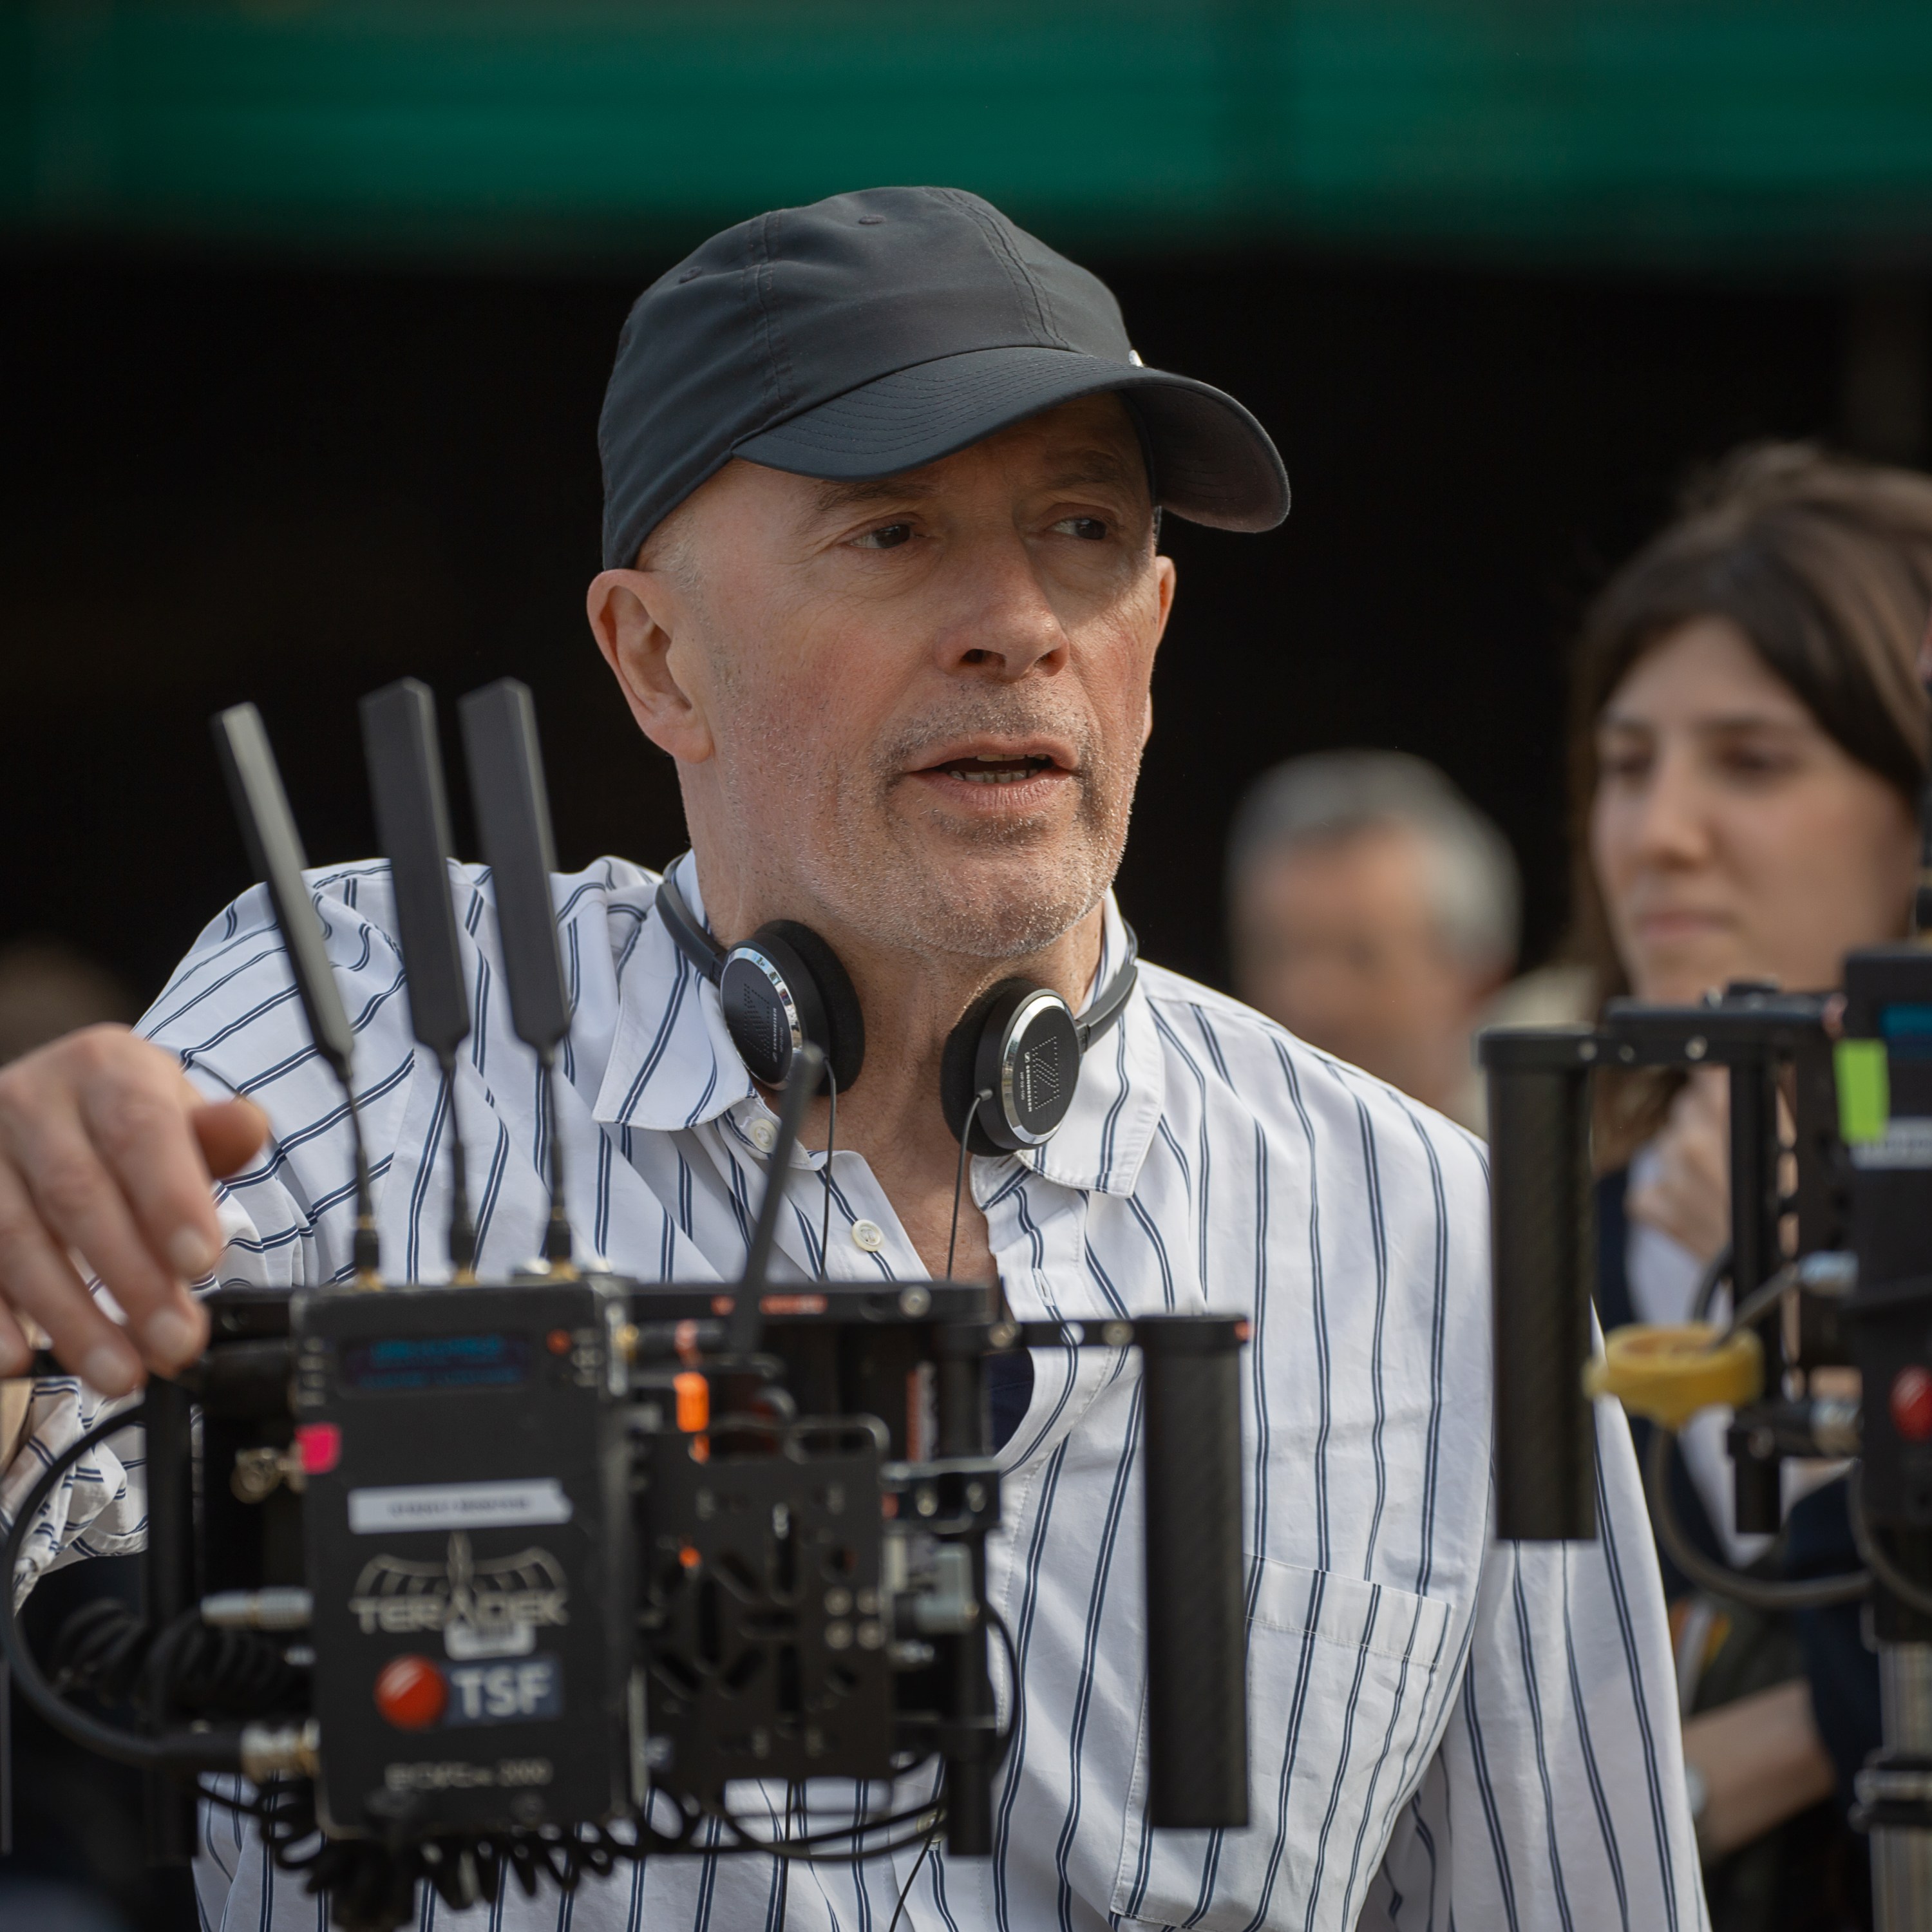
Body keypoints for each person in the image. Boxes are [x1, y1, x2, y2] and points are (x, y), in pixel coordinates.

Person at [0, 186, 1703, 1931]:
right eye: (893, 536)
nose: (1018, 622)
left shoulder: (1440, 1230)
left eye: (1085, 531)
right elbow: (60, 1450)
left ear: (1156, 636)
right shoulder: (362, 1022)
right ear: (657, 658)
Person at [1573, 441, 1932, 1927]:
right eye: (1621, 762)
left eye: (1752, 759)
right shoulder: (1540, 1244)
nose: (1657, 832)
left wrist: (1822, 1324)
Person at [1225, 751, 1519, 1130]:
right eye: (1275, 953)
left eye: (1360, 957)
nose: (1308, 999)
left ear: (1478, 984)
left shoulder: (1535, 1181)